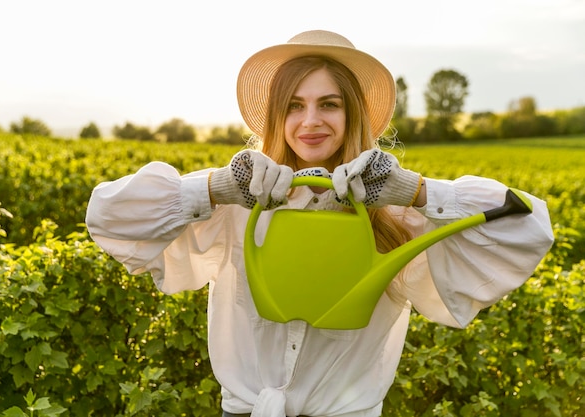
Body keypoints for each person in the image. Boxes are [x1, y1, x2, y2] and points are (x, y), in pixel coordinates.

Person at [85, 30, 554, 417]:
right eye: (293, 105)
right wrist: (216, 188)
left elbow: (530, 226)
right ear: (276, 115)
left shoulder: (394, 211)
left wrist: (415, 191)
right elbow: (107, 216)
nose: (310, 121)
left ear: (352, 114)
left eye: (328, 104)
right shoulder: (239, 200)